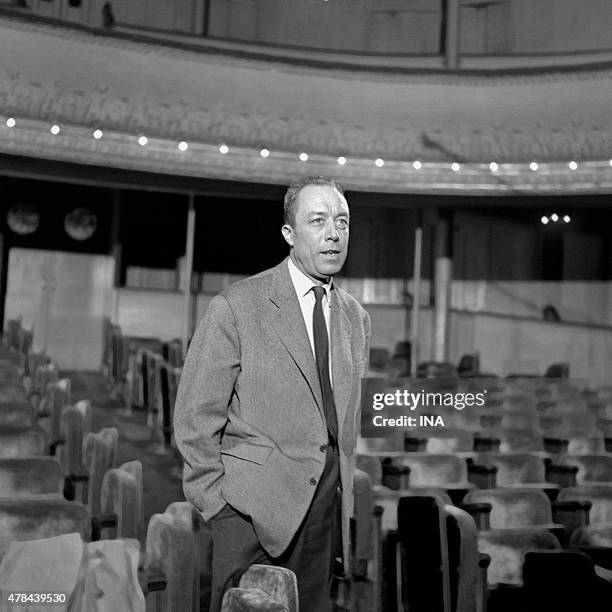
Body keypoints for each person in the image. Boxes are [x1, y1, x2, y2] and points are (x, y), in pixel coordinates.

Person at [173, 176, 370, 612]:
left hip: (323, 515)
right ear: (289, 233)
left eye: (342, 221)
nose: (333, 233)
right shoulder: (237, 306)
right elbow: (194, 419)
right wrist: (222, 511)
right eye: (317, 221)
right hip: (249, 514)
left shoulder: (356, 318)